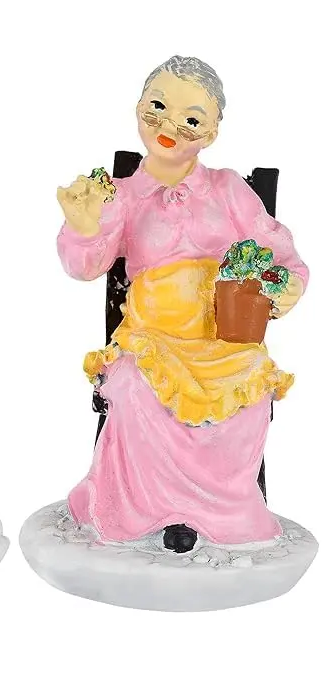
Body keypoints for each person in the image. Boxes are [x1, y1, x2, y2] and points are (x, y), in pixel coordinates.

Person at [56, 55, 308, 553]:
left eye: (191, 118)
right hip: (150, 339)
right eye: (158, 107)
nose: (170, 126)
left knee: (251, 384)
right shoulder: (121, 196)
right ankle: (148, 512)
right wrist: (85, 227)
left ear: (211, 132)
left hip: (221, 338)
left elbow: (281, 253)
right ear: (138, 107)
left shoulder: (229, 190)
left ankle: (220, 514)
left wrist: (286, 285)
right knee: (134, 387)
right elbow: (85, 265)